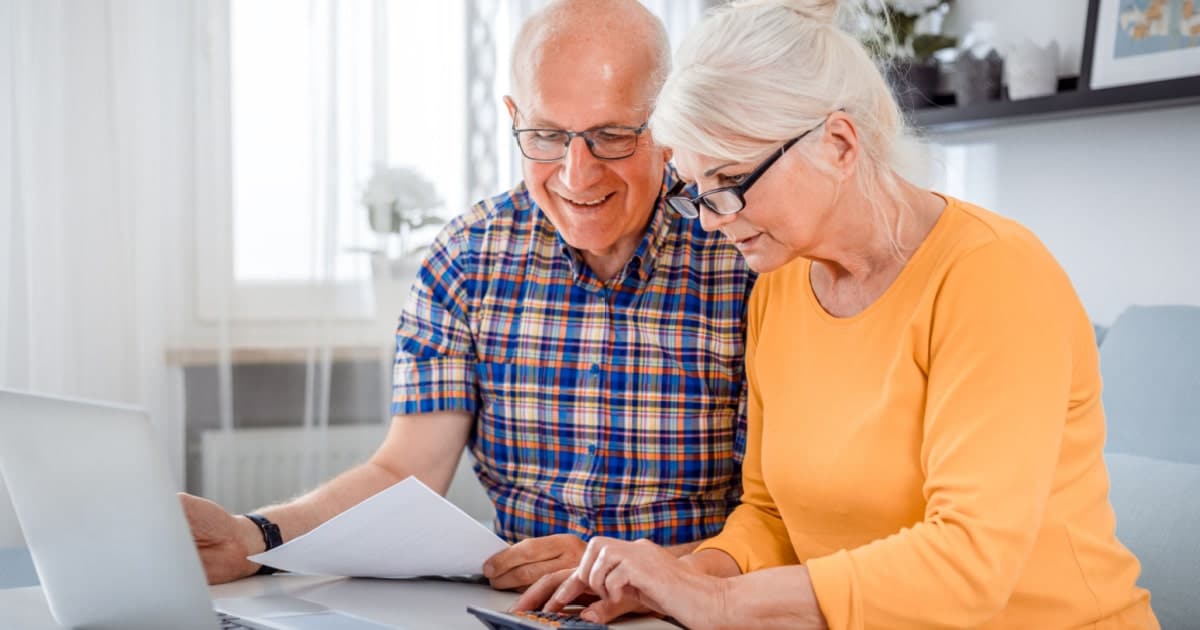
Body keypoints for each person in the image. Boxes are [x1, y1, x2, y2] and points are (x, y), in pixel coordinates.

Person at [515, 0, 1160, 628]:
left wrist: (720, 606)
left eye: (731, 184)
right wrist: (679, 580)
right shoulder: (782, 283)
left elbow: (970, 562)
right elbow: (769, 516)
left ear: (840, 144)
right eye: (700, 195)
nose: (713, 223)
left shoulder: (994, 276)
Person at [179, 0, 755, 593]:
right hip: (519, 609)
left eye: (611, 136)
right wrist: (254, 539)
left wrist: (633, 571)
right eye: (547, 136)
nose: (577, 175)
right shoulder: (468, 256)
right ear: (513, 117)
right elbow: (406, 470)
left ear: (668, 127)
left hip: (694, 607)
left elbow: (777, 521)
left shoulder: (742, 256)